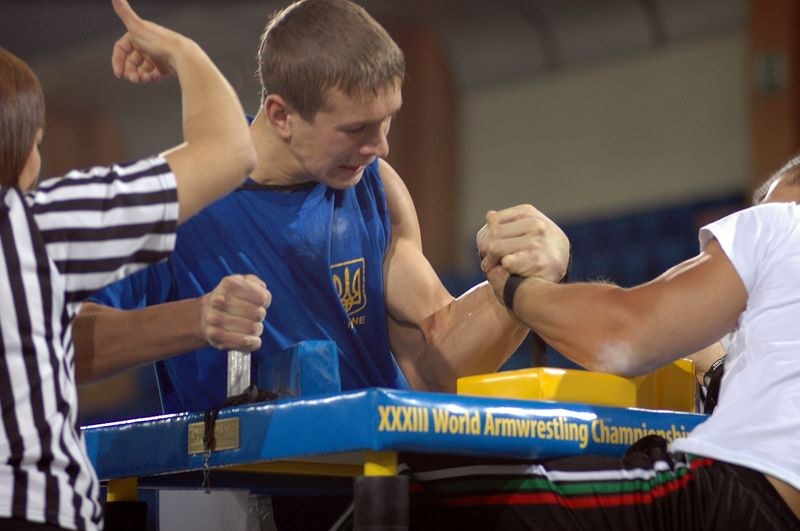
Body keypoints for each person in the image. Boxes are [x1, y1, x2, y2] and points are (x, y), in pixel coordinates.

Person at [77, 0, 570, 412]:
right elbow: (64, 345)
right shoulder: (173, 198)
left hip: (374, 476)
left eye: (387, 120)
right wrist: (195, 319)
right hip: (243, 487)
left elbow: (434, 363)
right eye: (356, 129)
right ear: (281, 115)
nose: (380, 147)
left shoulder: (375, 185)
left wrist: (520, 282)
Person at [411, 162, 800, 529]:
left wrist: (517, 289)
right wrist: (716, 368)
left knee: (417, 474)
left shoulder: (784, 222)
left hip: (739, 494)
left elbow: (621, 338)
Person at [0, 0, 263, 528]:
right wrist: (181, 51)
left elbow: (49, 345)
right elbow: (231, 151)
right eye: (40, 142)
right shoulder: (34, 227)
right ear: (22, 148)